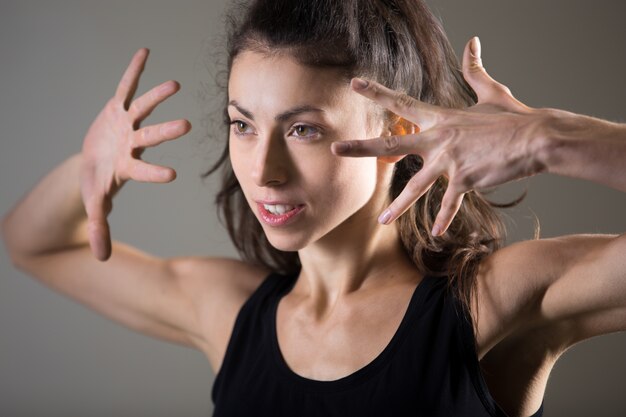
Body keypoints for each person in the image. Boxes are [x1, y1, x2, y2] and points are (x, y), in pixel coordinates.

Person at [2, 0, 624, 416]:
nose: (263, 171)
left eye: (302, 130)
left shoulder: (488, 302)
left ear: (400, 135)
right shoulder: (229, 312)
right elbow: (31, 242)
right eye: (243, 125)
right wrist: (88, 170)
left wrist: (550, 139)